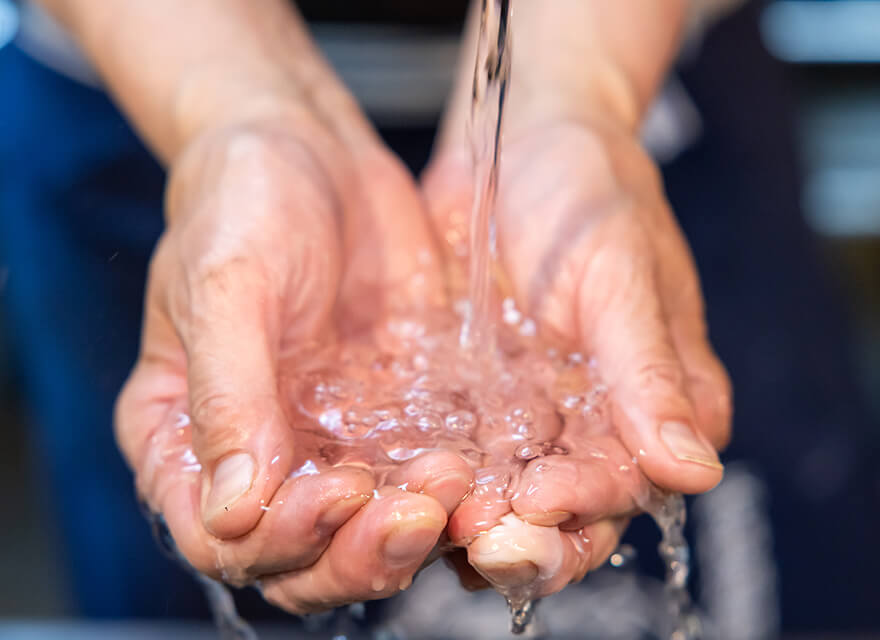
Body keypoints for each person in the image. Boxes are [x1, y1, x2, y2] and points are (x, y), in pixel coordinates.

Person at [3, 0, 734, 621]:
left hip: (626, 60)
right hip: (153, 63)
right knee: (191, 549)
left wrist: (581, 99)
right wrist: (240, 114)